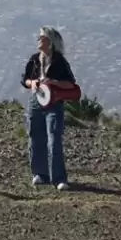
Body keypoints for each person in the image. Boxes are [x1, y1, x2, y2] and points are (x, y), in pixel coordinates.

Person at [20, 26, 77, 190]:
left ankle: (58, 178)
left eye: (42, 37)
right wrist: (33, 83)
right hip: (36, 101)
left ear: (50, 41)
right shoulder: (34, 59)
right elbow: (25, 79)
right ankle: (40, 173)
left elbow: (70, 83)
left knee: (53, 139)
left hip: (54, 103)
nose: (39, 39)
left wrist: (54, 82)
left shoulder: (59, 61)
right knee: (35, 137)